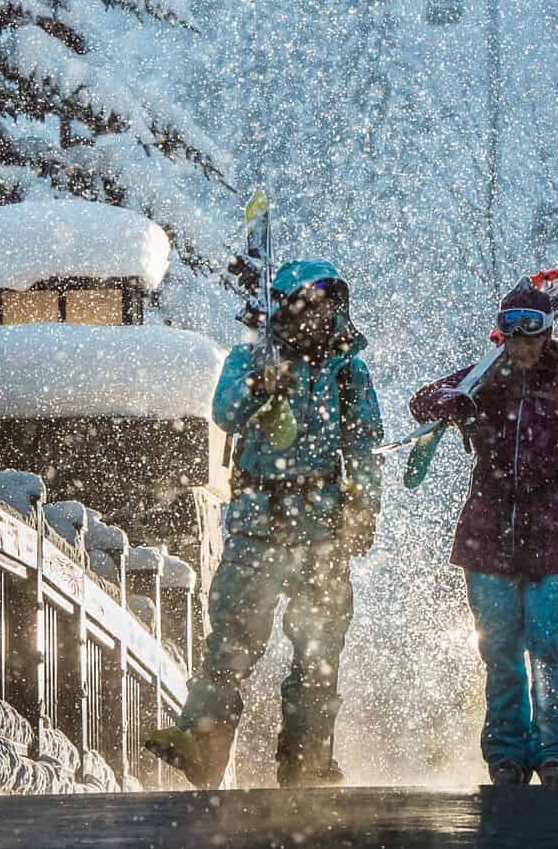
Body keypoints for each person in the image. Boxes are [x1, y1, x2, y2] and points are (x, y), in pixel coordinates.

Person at [144, 259, 382, 788]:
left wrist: (363, 511)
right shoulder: (248, 359)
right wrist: (259, 386)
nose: (314, 317)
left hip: (322, 529)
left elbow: (364, 449)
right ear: (282, 308)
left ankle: (308, 760)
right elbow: (226, 413)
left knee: (318, 652)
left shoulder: (347, 373)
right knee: (230, 641)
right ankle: (201, 743)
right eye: (303, 305)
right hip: (256, 525)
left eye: (324, 306)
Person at [408, 278, 558, 787]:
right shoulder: (485, 377)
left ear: (549, 332)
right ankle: (506, 752)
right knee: (499, 652)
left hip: (552, 535)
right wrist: (453, 402)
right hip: (488, 535)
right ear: (499, 332)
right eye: (510, 328)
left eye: (532, 329)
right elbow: (421, 402)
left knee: (549, 648)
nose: (521, 341)